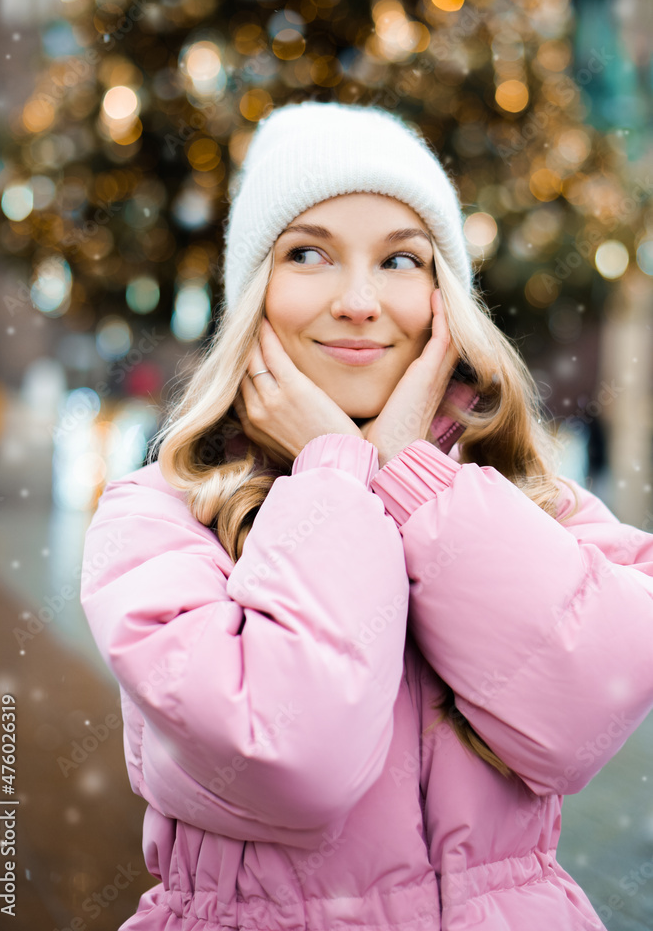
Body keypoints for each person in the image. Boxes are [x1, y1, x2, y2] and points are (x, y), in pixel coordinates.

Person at [79, 100, 653, 931]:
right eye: (307, 253)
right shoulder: (159, 519)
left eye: (399, 260)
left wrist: (408, 482)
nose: (357, 300)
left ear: (443, 297)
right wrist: (335, 480)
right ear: (253, 297)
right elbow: (295, 760)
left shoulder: (523, 495)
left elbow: (582, 710)